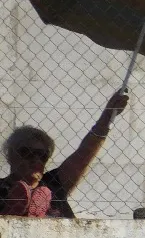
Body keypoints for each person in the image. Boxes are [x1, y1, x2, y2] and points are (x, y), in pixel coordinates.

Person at [0, 90, 128, 218]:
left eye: (42, 155)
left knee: (45, 195)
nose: (36, 159)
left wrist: (107, 117)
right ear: (11, 155)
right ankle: (12, 214)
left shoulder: (52, 183)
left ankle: (28, 215)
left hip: (56, 236)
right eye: (28, 152)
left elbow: (84, 154)